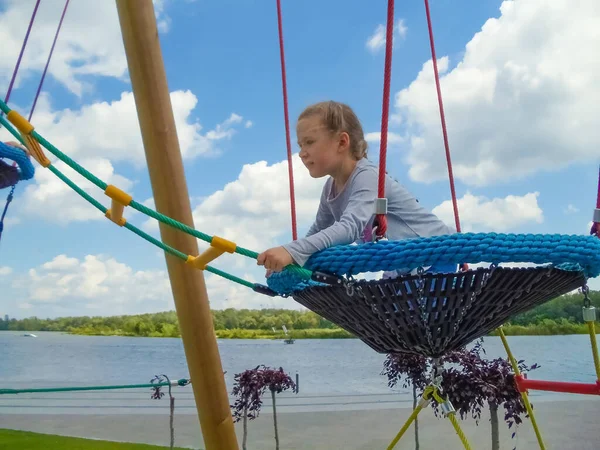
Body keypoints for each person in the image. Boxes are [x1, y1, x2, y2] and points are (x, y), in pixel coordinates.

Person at [257, 100, 456, 276]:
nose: (301, 153)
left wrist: (292, 251)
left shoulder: (367, 176)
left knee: (414, 316)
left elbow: (349, 228)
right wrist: (291, 257)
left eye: (309, 142)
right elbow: (318, 229)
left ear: (342, 142)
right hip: (403, 266)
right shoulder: (330, 189)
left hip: (435, 253)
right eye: (300, 145)